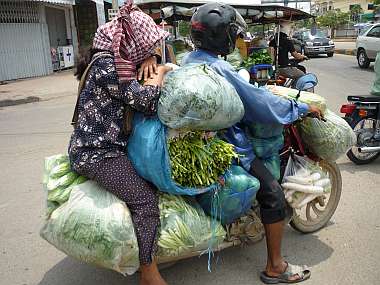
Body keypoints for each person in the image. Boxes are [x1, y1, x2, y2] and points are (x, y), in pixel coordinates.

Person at [183, 3, 322, 284]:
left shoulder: (189, 61)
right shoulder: (219, 67)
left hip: (197, 142)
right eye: (233, 35)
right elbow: (258, 103)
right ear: (221, 36)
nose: (235, 40)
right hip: (227, 144)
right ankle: (275, 266)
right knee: (272, 192)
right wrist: (299, 109)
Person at [68, 2, 171, 285]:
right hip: (97, 153)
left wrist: (151, 57)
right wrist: (161, 73)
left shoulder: (110, 59)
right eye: (144, 47)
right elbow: (146, 102)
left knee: (150, 186)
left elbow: (146, 61)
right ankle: (149, 273)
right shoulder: (109, 66)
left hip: (105, 148)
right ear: (129, 43)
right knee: (146, 202)